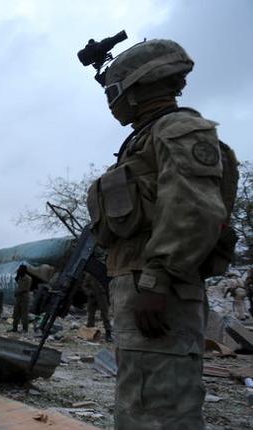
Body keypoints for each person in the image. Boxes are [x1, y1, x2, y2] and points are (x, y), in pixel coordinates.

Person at [86, 39, 235, 428]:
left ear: (138, 87)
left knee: (164, 408)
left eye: (113, 92)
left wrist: (157, 281)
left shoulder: (178, 129)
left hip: (159, 291)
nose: (110, 102)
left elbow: (194, 210)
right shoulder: (144, 138)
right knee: (139, 403)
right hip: (142, 287)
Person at [81, 273, 113, 341]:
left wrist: (105, 292)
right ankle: (90, 334)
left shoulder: (104, 274)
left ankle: (108, 333)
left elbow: (108, 284)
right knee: (90, 316)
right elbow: (84, 286)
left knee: (105, 315)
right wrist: (89, 292)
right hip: (92, 297)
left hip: (102, 295)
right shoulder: (89, 275)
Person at [10, 264, 32, 333]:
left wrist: (17, 292)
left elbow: (25, 289)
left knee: (24, 314)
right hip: (18, 298)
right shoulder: (19, 277)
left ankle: (25, 329)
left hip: (24, 298)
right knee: (16, 313)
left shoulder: (28, 279)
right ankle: (14, 328)